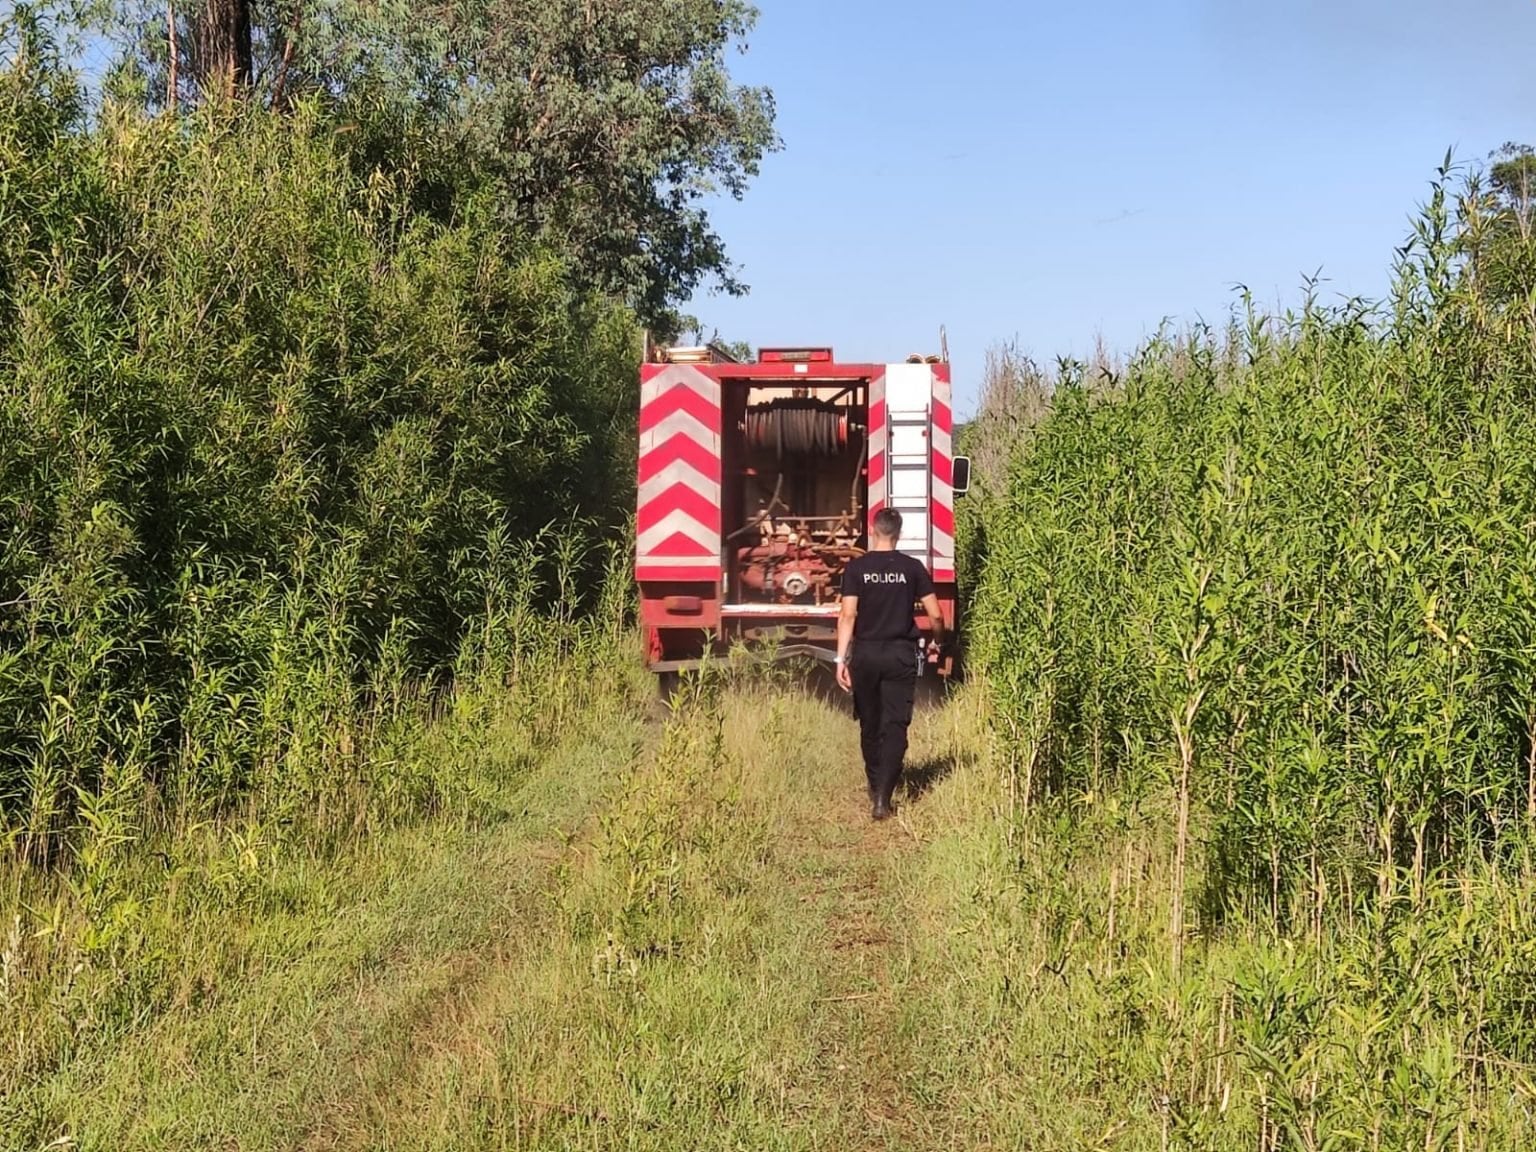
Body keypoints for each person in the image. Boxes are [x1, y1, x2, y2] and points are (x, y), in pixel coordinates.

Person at [834, 508, 948, 821]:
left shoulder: (856, 569)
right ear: (898, 533)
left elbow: (847, 616)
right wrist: (938, 640)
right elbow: (936, 614)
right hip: (901, 654)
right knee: (896, 724)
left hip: (866, 654)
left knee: (870, 723)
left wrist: (840, 658)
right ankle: (884, 794)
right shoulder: (912, 568)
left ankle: (875, 787)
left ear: (873, 530)